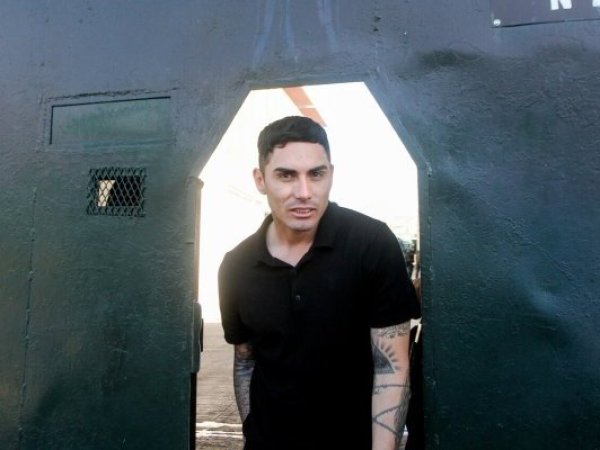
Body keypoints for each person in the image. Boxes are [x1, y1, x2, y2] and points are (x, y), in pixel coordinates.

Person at [218, 115, 420, 450]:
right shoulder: (236, 266)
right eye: (286, 175)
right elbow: (246, 361)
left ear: (331, 175)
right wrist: (252, 431)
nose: (304, 192)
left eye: (316, 174)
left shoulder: (371, 244)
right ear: (260, 179)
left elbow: (392, 368)